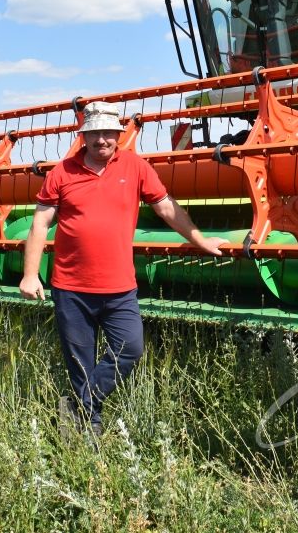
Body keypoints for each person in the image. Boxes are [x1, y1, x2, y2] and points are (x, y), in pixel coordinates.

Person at [19, 101, 225, 435]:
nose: (102, 140)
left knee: (130, 348)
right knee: (80, 364)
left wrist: (199, 239)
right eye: (95, 133)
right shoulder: (62, 172)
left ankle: (77, 407)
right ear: (84, 136)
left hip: (119, 288)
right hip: (71, 287)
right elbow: (40, 223)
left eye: (109, 133)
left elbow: (166, 208)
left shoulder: (135, 167)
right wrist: (30, 274)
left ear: (119, 135)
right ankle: (88, 431)